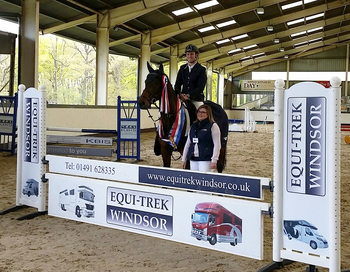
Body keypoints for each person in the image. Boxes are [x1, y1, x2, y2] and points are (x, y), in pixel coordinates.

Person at [181, 104, 221, 172]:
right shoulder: (193, 126)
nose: (200, 114)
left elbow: (217, 144)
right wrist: (183, 159)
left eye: (203, 112)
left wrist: (214, 160)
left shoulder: (213, 126)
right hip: (193, 159)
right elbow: (188, 143)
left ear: (208, 114)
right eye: (199, 112)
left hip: (205, 159)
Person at [174, 44, 207, 109]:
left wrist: (189, 96)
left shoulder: (201, 69)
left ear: (196, 55)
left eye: (191, 54)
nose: (189, 56)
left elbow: (200, 87)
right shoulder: (182, 68)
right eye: (188, 54)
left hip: (196, 99)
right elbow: (177, 83)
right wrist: (179, 94)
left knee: (200, 113)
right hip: (182, 99)